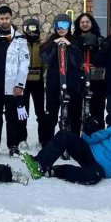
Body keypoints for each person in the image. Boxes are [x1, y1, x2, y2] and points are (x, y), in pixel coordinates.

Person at [22, 104, 111, 185]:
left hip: (103, 169)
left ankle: (54, 171)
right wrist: (88, 130)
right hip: (89, 153)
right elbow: (92, 139)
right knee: (65, 135)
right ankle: (39, 163)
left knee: (91, 177)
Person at [0, 5, 29, 157]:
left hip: (12, 84)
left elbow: (24, 63)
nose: (4, 21)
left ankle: (13, 144)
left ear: (11, 18)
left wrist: (20, 84)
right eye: (2, 18)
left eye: (7, 18)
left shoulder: (19, 38)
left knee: (12, 115)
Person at [39, 13, 83, 145]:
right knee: (51, 115)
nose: (61, 28)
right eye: (58, 25)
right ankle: (49, 143)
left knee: (73, 114)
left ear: (70, 26)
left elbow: (77, 61)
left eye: (64, 25)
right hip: (54, 84)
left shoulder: (75, 42)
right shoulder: (50, 42)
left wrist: (69, 45)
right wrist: (54, 45)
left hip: (72, 84)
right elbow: (46, 58)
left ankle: (73, 142)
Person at [73, 12, 107, 132]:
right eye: (82, 22)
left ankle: (97, 138)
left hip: (96, 81)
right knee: (76, 112)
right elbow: (72, 57)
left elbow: (104, 57)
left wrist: (96, 62)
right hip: (78, 81)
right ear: (78, 24)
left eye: (87, 22)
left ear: (92, 23)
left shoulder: (100, 40)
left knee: (97, 111)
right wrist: (80, 63)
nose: (85, 24)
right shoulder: (73, 40)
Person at [19, 17, 47, 146]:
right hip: (23, 81)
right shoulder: (20, 44)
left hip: (38, 80)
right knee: (23, 111)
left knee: (40, 112)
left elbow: (46, 62)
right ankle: (22, 139)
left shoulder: (41, 44)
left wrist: (44, 74)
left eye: (34, 29)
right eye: (29, 29)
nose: (32, 32)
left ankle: (42, 138)